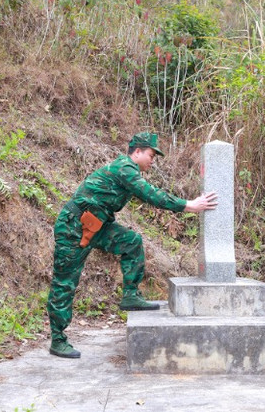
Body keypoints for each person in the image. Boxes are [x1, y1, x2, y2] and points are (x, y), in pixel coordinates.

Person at [47, 132, 219, 359]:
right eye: (150, 154)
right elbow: (150, 194)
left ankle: (130, 295)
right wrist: (188, 205)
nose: (153, 160)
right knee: (65, 282)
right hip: (74, 227)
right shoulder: (125, 168)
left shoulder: (129, 170)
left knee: (132, 242)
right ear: (136, 152)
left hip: (97, 225)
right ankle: (58, 340)